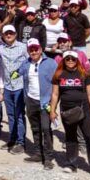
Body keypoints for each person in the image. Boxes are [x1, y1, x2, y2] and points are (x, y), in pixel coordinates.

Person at [49, 50, 90, 176]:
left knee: (89, 136)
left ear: (77, 60)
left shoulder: (84, 74)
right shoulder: (58, 74)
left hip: (84, 108)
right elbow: (55, 94)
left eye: (73, 59)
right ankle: (71, 163)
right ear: (63, 60)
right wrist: (52, 110)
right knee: (70, 136)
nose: (70, 61)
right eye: (67, 59)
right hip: (67, 110)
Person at [22, 39, 58, 168]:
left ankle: (48, 157)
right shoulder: (25, 63)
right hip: (31, 100)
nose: (34, 52)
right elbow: (17, 73)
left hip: (45, 101)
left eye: (36, 49)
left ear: (41, 49)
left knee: (46, 128)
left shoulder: (51, 63)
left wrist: (54, 103)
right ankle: (38, 153)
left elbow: (57, 82)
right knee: (35, 128)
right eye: (31, 49)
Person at [0, 25, 29, 154]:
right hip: (7, 86)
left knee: (19, 114)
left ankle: (21, 142)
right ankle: (12, 138)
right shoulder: (1, 48)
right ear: (3, 36)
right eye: (6, 33)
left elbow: (30, 61)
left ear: (15, 34)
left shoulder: (23, 47)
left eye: (11, 33)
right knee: (10, 115)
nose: (9, 35)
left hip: (20, 86)